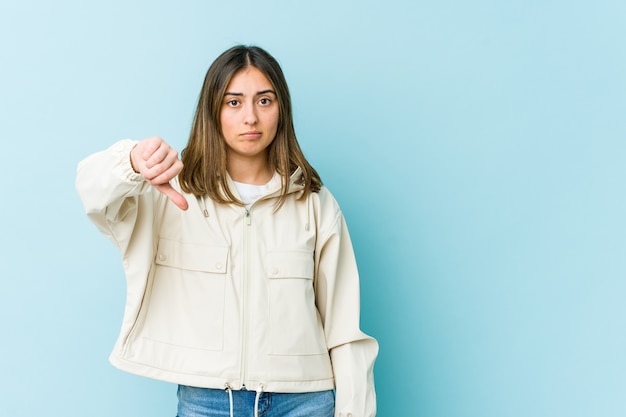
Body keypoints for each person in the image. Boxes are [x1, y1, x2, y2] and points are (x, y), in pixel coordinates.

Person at [76, 45, 378, 417]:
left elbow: (344, 329)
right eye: (233, 102)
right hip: (207, 403)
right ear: (212, 110)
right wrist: (132, 161)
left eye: (264, 100)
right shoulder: (168, 194)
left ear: (281, 109)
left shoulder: (315, 204)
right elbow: (92, 194)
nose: (250, 117)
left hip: (306, 402)